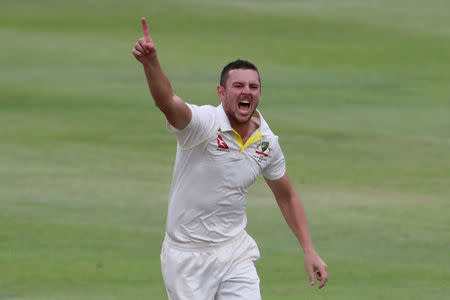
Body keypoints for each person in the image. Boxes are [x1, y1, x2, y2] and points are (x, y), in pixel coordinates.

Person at [132, 17, 328, 300]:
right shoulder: (203, 125)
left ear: (259, 93)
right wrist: (151, 63)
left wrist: (309, 250)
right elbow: (167, 102)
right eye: (238, 86)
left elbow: (287, 197)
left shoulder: (266, 143)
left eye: (253, 86)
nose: (246, 91)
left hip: (234, 251)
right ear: (221, 92)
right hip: (187, 257)